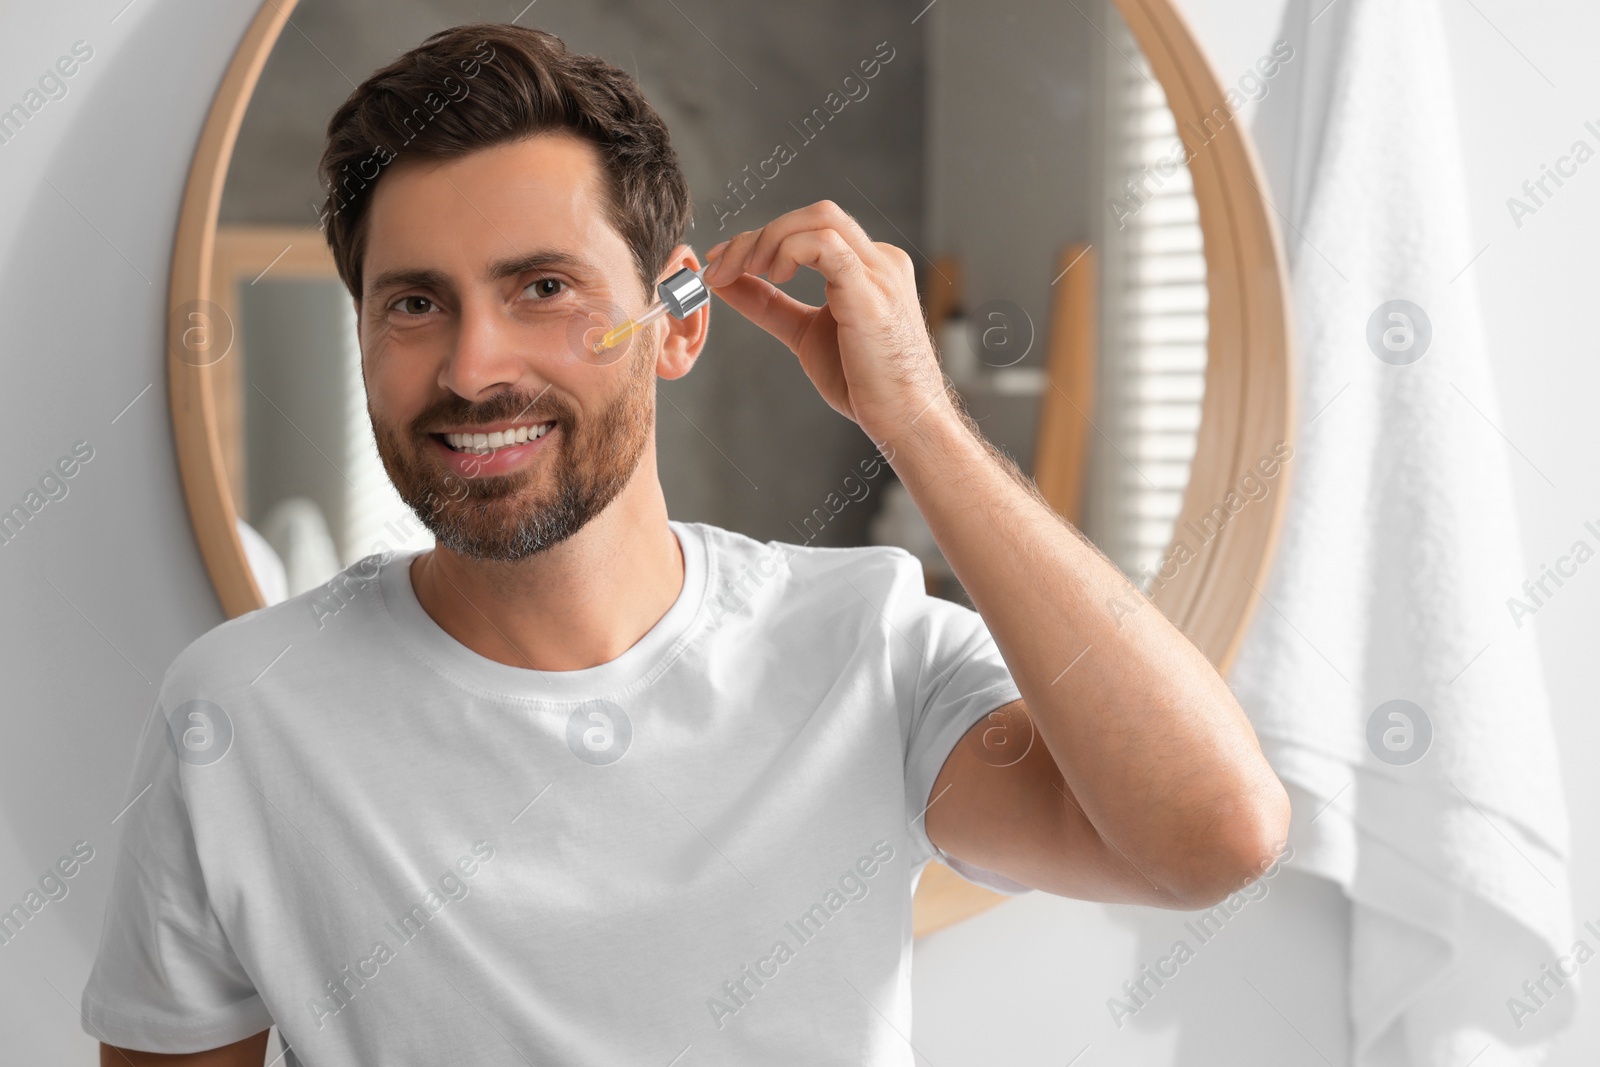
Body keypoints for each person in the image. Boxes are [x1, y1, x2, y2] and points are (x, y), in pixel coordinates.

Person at [82, 22, 1288, 1067]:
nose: (471, 366)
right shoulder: (237, 715)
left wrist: (916, 419)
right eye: (413, 302)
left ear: (677, 320)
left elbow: (1211, 836)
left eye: (542, 287)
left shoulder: (862, 646)